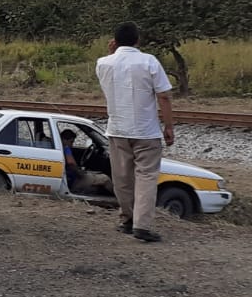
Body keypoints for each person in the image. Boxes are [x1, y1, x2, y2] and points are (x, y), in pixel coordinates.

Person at [95, 22, 175, 242]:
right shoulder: (149, 61)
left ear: (115, 41)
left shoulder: (102, 63)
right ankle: (142, 225)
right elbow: (165, 96)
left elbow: (113, 68)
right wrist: (168, 126)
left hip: (117, 129)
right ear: (138, 40)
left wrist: (112, 54)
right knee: (146, 177)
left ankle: (127, 219)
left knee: (122, 177)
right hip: (146, 131)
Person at [58, 128, 89, 195]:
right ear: (64, 140)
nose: (72, 145)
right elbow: (71, 163)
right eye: (71, 142)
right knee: (105, 179)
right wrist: (79, 172)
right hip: (73, 179)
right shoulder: (66, 149)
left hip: (68, 176)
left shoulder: (60, 147)